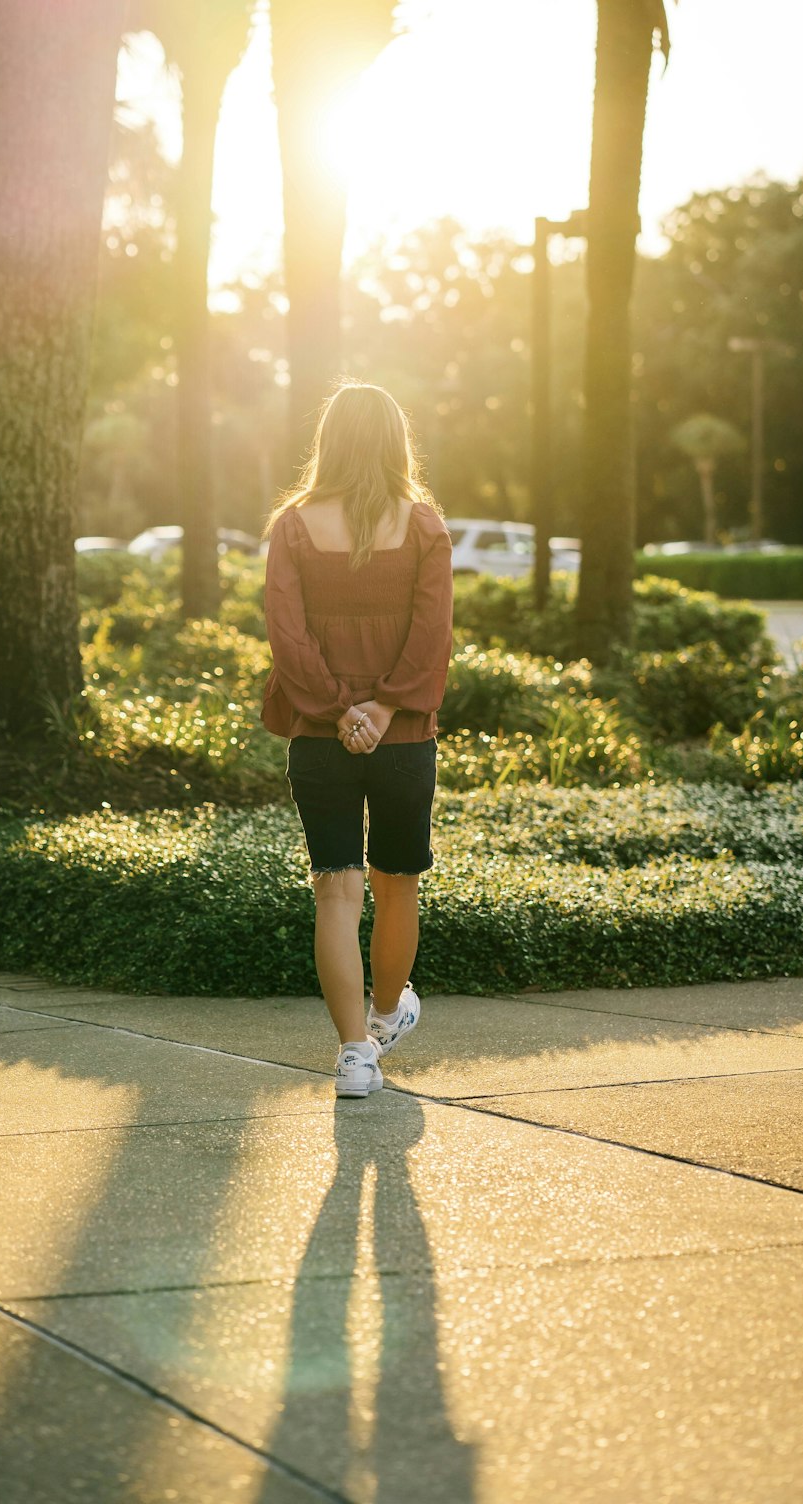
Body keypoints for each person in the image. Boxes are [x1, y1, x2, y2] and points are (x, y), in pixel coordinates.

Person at [260, 381, 453, 1099]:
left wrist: (339, 711)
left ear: (329, 441)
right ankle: (383, 1015)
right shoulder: (425, 525)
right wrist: (384, 707)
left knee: (335, 892)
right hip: (404, 740)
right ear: (397, 440)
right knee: (396, 884)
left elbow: (287, 634)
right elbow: (432, 637)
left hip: (319, 737)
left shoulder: (295, 525)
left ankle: (353, 1056)